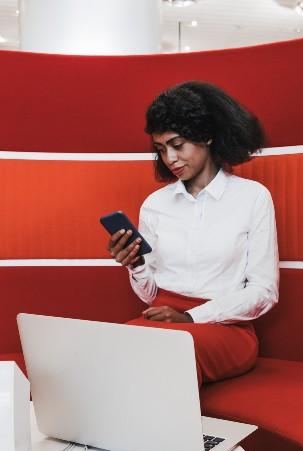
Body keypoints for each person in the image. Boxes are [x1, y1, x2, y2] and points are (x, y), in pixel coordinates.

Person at [106, 81, 279, 385]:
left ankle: (156, 431)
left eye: (177, 144)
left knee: (164, 355)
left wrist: (191, 319)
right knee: (107, 350)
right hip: (162, 319)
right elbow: (149, 295)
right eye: (161, 150)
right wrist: (135, 265)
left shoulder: (253, 197)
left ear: (207, 137)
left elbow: (264, 292)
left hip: (227, 328)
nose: (169, 158)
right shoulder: (155, 204)